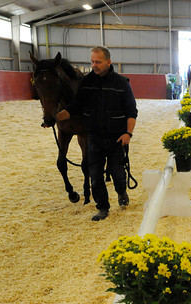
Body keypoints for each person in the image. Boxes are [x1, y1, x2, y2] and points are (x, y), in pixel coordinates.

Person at [56, 46, 137, 221]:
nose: (94, 65)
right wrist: (62, 115)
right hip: (94, 138)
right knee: (95, 176)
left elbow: (132, 112)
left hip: (117, 138)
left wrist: (128, 134)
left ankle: (121, 192)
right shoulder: (87, 82)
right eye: (92, 61)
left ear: (108, 62)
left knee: (117, 173)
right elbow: (76, 105)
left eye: (98, 62)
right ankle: (103, 208)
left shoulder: (122, 83)